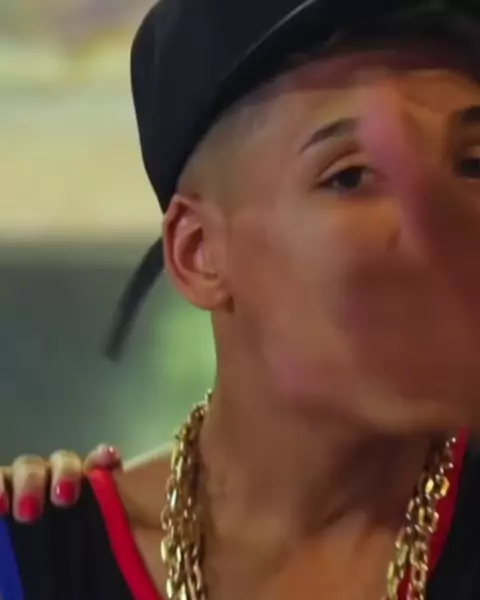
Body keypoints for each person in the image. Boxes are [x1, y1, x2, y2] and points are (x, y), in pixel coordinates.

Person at [3, 0, 480, 598]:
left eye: (473, 164)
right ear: (198, 252)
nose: (437, 229)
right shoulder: (37, 564)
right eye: (351, 176)